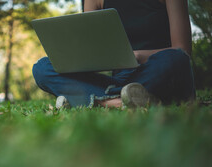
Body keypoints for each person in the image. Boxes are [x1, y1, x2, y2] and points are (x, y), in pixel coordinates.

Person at [32, 0, 196, 108]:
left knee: (176, 59)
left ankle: (94, 100)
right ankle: (120, 101)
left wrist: (136, 56)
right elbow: (92, 50)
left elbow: (182, 49)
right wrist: (76, 59)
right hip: (118, 80)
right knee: (42, 68)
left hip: (155, 70)